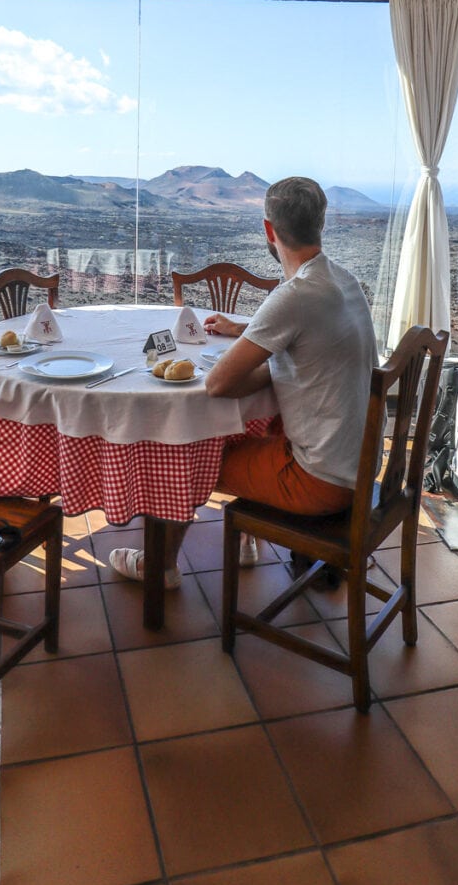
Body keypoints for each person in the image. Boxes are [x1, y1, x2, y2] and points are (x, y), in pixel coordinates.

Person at [109, 175, 379, 589]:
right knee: (262, 425)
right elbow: (309, 338)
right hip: (358, 466)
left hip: (319, 481)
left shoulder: (293, 296)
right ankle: (247, 542)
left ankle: (159, 567)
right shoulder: (343, 281)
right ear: (322, 223)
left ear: (269, 231)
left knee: (186, 451)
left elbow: (218, 384)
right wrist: (247, 330)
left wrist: (251, 348)